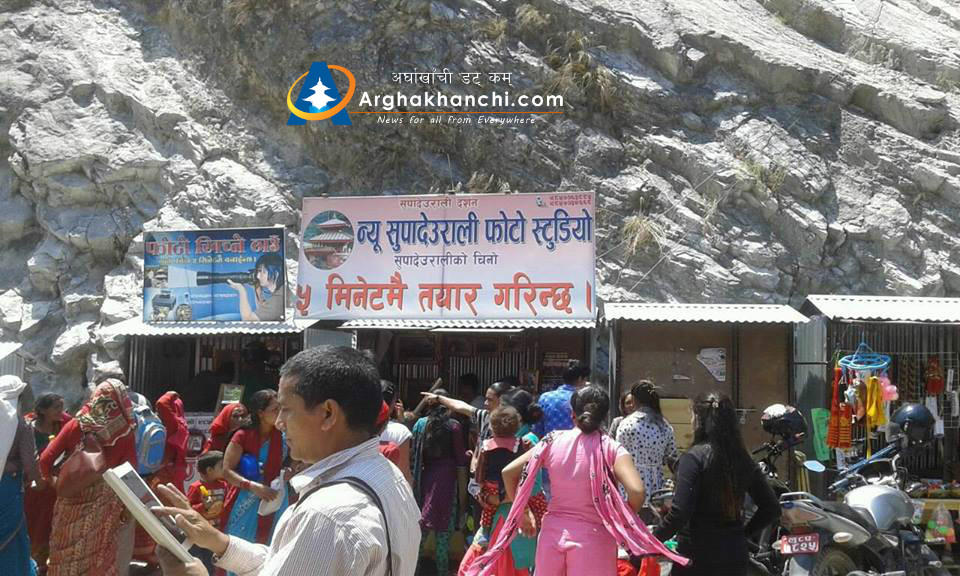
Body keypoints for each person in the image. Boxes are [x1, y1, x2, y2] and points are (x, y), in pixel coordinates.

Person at [152, 345, 421, 576]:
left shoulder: (327, 515)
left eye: (287, 410)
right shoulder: (388, 475)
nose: (280, 423)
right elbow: (286, 564)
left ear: (328, 413)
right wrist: (220, 543)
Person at [465, 386, 687, 576]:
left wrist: (523, 513)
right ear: (605, 416)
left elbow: (509, 472)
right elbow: (637, 492)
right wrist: (621, 519)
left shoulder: (552, 440)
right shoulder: (611, 448)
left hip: (552, 538)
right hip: (595, 539)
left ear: (572, 414)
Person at [654, 392, 780, 576]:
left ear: (698, 421)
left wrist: (651, 540)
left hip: (697, 557)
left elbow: (679, 513)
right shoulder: (742, 459)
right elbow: (771, 508)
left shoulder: (693, 458)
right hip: (734, 557)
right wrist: (742, 534)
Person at [41, 379, 138, 576]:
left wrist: (56, 484)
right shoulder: (125, 432)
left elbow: (45, 460)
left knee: (63, 555)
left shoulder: (77, 424)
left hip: (69, 499)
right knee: (100, 556)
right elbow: (130, 474)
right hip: (104, 504)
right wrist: (126, 510)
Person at [411, 389, 468, 576]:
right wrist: (463, 499)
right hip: (448, 483)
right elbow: (461, 462)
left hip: (424, 481)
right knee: (444, 534)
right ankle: (442, 571)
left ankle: (414, 569)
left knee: (421, 531)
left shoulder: (420, 424)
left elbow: (414, 456)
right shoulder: (454, 427)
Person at [221, 390, 287, 550]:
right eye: (275, 409)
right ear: (261, 413)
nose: (279, 413)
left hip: (275, 497)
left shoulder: (284, 435)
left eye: (281, 408)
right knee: (239, 547)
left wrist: (290, 470)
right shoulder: (242, 436)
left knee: (272, 545)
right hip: (246, 497)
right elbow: (227, 471)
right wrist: (253, 487)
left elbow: (297, 460)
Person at [24, 393, 72, 574]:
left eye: (62, 407)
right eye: (56, 408)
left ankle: (46, 563)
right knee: (35, 525)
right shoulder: (30, 430)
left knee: (52, 525)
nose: (61, 411)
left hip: (55, 487)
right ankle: (34, 563)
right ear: (43, 411)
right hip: (35, 488)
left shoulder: (63, 425)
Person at [1, 375, 41, 576]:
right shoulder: (21, 425)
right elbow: (29, 464)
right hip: (9, 488)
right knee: (13, 537)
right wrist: (40, 481)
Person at [616, 380, 677, 503]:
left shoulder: (626, 424)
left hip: (630, 486)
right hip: (656, 487)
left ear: (634, 400)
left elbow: (618, 456)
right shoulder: (664, 426)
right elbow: (672, 456)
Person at [187, 451, 229, 574]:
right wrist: (202, 506)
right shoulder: (196, 487)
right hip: (198, 532)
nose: (224, 469)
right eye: (221, 466)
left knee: (210, 563)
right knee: (195, 560)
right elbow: (188, 509)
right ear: (210, 470)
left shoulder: (223, 485)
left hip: (215, 532)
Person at [533, 361, 588, 439]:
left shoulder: (545, 397)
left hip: (549, 444)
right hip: (575, 444)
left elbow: (537, 429)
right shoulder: (583, 400)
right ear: (580, 379)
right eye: (585, 379)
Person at [227, 253, 284, 322]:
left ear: (276, 273)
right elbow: (262, 313)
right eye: (258, 271)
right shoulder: (281, 292)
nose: (258, 276)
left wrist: (241, 290)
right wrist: (257, 288)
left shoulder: (279, 299)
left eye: (263, 272)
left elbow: (248, 320)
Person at [378, 380, 413, 485]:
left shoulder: (359, 427)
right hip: (390, 486)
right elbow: (404, 472)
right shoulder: (400, 432)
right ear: (393, 404)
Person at [156, 391, 190, 492]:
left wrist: (171, 395)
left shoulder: (174, 424)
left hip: (167, 471)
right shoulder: (182, 425)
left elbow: (161, 403)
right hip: (177, 470)